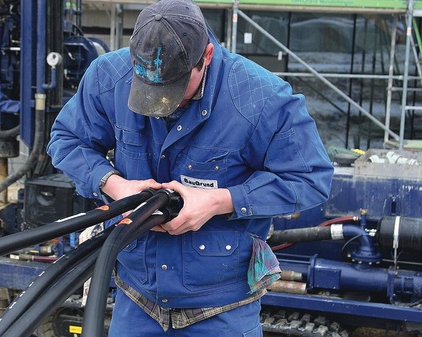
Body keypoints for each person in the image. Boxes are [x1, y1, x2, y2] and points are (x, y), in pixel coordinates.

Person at [47, 0, 334, 335]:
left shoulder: (261, 99)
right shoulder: (109, 76)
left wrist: (218, 201)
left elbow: (310, 178)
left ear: (207, 56)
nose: (160, 105)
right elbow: (67, 139)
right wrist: (114, 184)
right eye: (149, 91)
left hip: (221, 307)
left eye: (173, 90)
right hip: (137, 296)